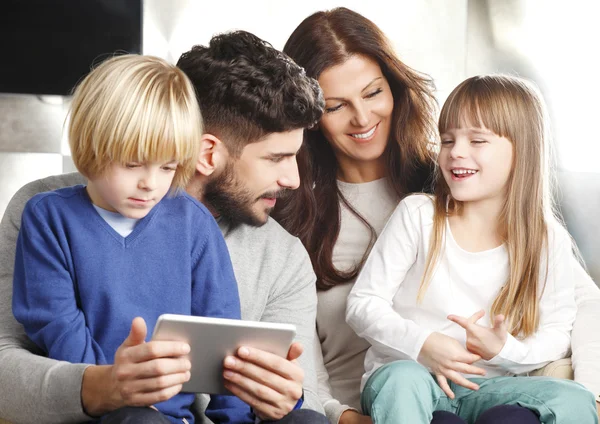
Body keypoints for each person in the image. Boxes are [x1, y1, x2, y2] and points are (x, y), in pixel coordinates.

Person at [274, 7, 600, 424]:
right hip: (371, 404)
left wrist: (590, 395)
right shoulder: (295, 214)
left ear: (394, 88)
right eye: (337, 106)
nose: (361, 118)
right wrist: (344, 416)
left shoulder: (459, 187)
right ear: (311, 116)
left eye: (373, 93)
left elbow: (581, 305)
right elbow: (299, 352)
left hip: (478, 392)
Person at [0, 31, 328, 424]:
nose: (294, 179)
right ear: (206, 153)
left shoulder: (281, 257)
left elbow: (300, 388)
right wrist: (104, 388)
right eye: (277, 158)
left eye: (166, 166)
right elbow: (17, 353)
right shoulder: (42, 210)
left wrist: (282, 400)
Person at [346, 74, 598, 423]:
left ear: (521, 152)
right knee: (401, 380)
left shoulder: (546, 238)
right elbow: (362, 305)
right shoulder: (418, 216)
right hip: (414, 378)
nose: (455, 152)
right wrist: (424, 344)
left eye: (477, 140)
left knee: (573, 399)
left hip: (488, 389)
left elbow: (557, 331)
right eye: (447, 140)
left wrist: (504, 350)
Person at [10, 54, 246, 424]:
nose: (150, 183)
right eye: (133, 164)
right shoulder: (48, 217)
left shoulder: (193, 223)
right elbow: (56, 325)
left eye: (167, 167)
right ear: (91, 145)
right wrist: (118, 393)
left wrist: (239, 420)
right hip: (97, 412)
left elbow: (223, 335)